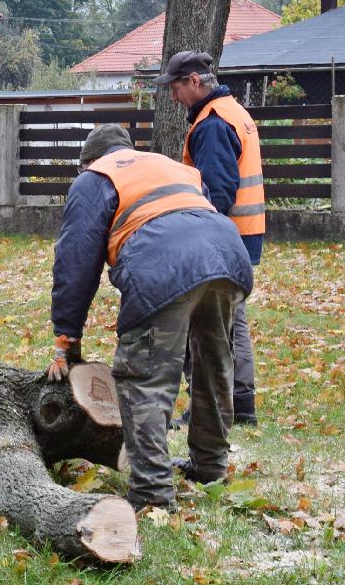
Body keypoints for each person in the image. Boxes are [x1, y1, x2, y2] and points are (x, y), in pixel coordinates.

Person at [46, 124, 253, 512]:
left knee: (144, 377)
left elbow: (74, 261)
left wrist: (66, 339)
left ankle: (152, 493)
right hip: (227, 254)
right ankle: (210, 467)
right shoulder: (169, 166)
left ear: (89, 161)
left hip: (164, 264)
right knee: (213, 368)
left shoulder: (96, 178)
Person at [154, 50, 265, 425]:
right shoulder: (234, 112)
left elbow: (216, 193)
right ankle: (240, 405)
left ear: (196, 82)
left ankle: (223, 407)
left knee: (212, 327)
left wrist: (197, 238)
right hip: (240, 235)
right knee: (233, 322)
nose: (173, 97)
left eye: (176, 87)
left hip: (221, 238)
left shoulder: (214, 123)